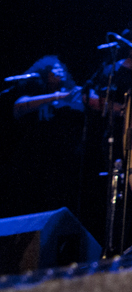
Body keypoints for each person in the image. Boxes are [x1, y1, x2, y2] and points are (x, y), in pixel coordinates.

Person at [8, 56, 86, 217]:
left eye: (60, 68)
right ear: (44, 73)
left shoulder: (75, 94)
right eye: (53, 69)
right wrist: (57, 97)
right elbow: (18, 107)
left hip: (65, 158)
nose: (58, 71)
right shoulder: (37, 93)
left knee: (60, 201)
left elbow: (94, 102)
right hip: (36, 157)